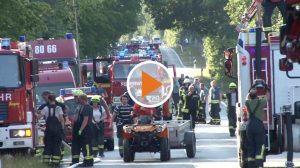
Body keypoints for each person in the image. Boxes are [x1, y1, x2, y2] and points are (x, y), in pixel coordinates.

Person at [245, 81, 270, 168]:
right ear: (257, 95)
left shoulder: (247, 103)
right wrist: (266, 87)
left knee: (251, 145)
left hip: (249, 126)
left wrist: (252, 87)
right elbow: (267, 97)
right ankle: (259, 164)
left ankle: (251, 165)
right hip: (258, 125)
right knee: (260, 145)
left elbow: (247, 97)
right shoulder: (261, 102)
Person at [37, 94, 64, 167]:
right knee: (56, 146)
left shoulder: (45, 108)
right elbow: (61, 119)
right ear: (54, 99)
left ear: (48, 100)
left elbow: (39, 117)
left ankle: (46, 162)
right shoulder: (59, 108)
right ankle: (55, 162)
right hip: (57, 130)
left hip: (48, 131)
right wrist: (62, 129)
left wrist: (35, 114)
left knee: (48, 146)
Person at [71, 94, 94, 167]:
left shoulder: (87, 108)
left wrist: (81, 129)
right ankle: (77, 161)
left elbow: (85, 120)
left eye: (79, 99)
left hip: (85, 130)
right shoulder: (80, 107)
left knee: (86, 146)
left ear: (83, 99)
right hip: (79, 129)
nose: (78, 100)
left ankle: (88, 161)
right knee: (77, 146)